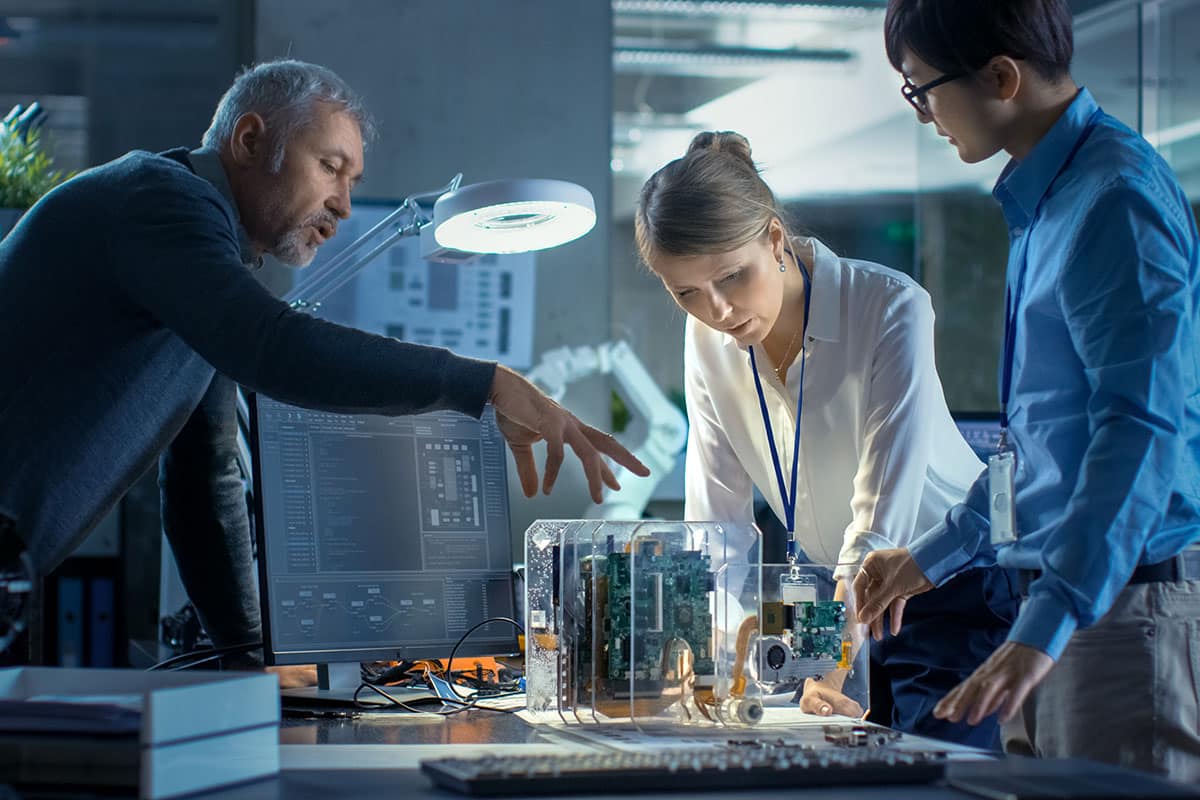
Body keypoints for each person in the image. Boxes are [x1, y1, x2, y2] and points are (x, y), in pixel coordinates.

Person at [0, 59, 647, 660]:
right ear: (250, 141)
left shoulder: (197, 263)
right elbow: (274, 348)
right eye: (330, 166)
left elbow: (206, 481)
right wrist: (487, 383)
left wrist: (250, 661)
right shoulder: (157, 202)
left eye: (352, 180)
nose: (342, 203)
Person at [853, 0, 1200, 778]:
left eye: (920, 90)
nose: (922, 116)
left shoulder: (1116, 198)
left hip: (1117, 612)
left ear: (1001, 77)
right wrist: (932, 556)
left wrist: (1045, 625)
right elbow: (1039, 451)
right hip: (1062, 609)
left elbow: (1139, 432)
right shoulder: (1046, 201)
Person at [635, 130, 1019, 748]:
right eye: (686, 293)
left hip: (943, 580)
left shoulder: (889, 306)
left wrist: (830, 663)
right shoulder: (706, 339)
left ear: (774, 239)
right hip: (826, 592)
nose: (718, 311)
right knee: (829, 768)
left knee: (937, 775)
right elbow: (716, 524)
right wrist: (708, 665)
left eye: (733, 277)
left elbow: (877, 523)